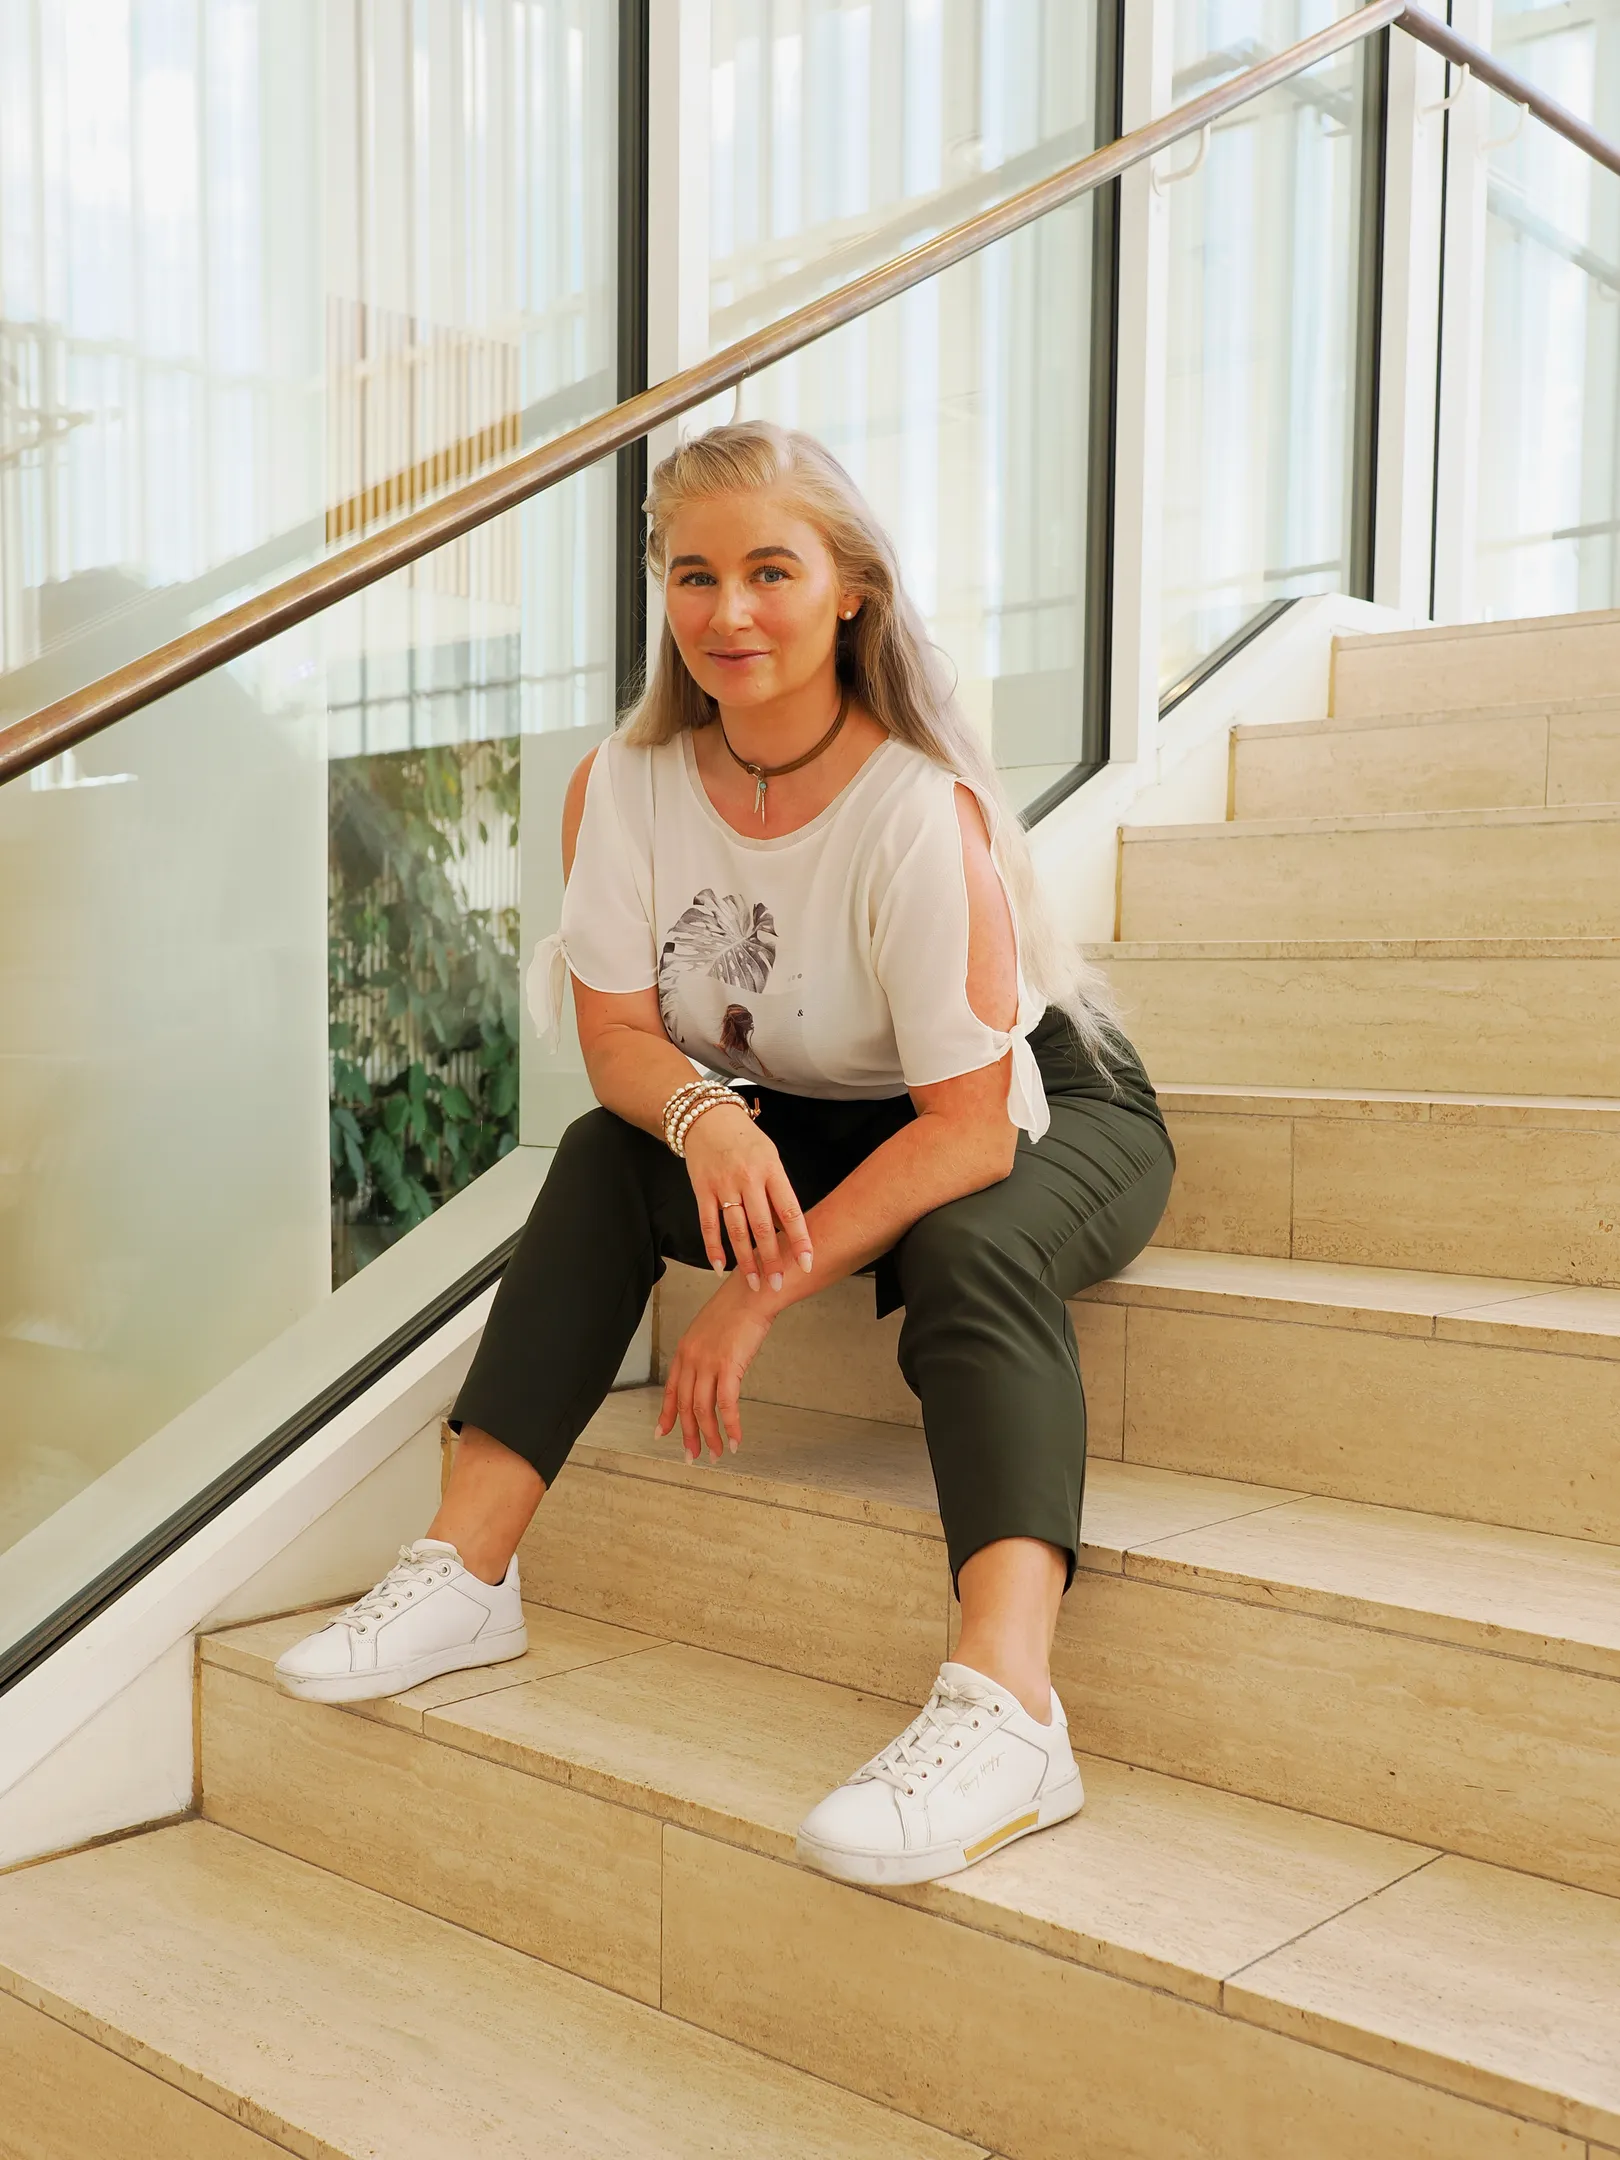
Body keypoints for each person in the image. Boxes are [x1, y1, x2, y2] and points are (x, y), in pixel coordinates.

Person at [275, 421, 1174, 1889]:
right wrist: (702, 1116)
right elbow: (621, 1034)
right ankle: (466, 1572)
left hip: (1040, 1105)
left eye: (771, 569)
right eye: (694, 575)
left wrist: (760, 1292)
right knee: (600, 1152)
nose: (729, 611)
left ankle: (1013, 1712)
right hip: (805, 1102)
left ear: (850, 594)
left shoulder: (910, 814)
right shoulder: (625, 788)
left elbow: (961, 1126)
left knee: (970, 1240)